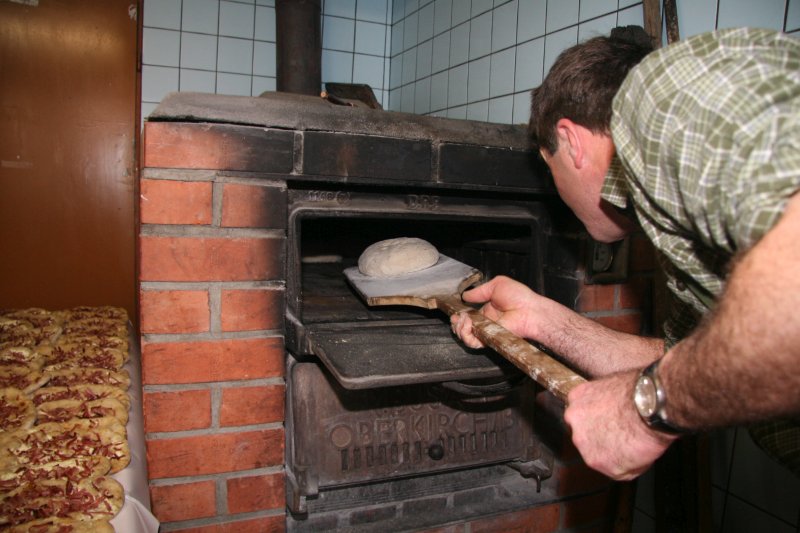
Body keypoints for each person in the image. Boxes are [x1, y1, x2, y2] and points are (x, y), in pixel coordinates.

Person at [450, 26, 800, 481]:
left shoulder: (658, 97)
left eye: (549, 168)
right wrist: (545, 321)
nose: (559, 195)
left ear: (570, 141)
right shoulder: (674, 215)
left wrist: (645, 410)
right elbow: (695, 361)